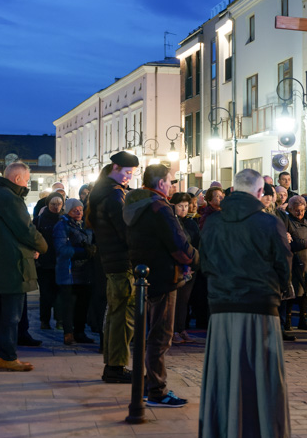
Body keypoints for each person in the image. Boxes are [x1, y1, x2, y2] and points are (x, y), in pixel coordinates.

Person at [199, 169, 291, 438]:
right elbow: (283, 264)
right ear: (259, 191)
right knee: (264, 377)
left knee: (227, 374)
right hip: (260, 305)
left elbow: (206, 263)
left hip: (222, 306)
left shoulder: (212, 222)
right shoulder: (268, 222)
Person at [123, 164, 199, 408]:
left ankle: (146, 386)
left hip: (147, 273)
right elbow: (177, 243)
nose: (173, 185)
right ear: (160, 183)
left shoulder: (138, 204)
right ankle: (157, 390)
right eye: (171, 181)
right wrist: (196, 258)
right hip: (164, 275)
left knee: (151, 333)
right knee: (161, 336)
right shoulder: (159, 207)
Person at [0, 162, 48, 372]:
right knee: (12, 315)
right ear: (18, 179)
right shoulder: (9, 197)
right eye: (27, 180)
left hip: (4, 262)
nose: (27, 183)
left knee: (5, 313)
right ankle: (8, 357)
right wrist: (43, 246)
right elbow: (25, 229)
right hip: (13, 264)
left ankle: (5, 355)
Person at [87, 151, 138, 383]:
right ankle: (116, 366)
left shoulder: (102, 192)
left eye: (132, 174)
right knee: (122, 317)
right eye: (127, 172)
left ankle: (113, 364)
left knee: (116, 314)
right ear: (115, 168)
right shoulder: (114, 196)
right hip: (120, 262)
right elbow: (126, 232)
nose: (129, 177)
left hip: (110, 261)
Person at [53, 198, 96, 346]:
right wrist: (83, 251)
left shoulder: (85, 225)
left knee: (82, 304)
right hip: (68, 272)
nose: (78, 212)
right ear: (68, 211)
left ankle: (80, 331)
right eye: (74, 209)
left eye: (80, 209)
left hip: (84, 272)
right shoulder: (61, 226)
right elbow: (61, 249)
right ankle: (68, 333)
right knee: (68, 305)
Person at [283, 195, 307, 334]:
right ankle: (287, 321)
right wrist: (305, 243)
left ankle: (303, 320)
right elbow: (288, 243)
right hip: (294, 263)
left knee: (305, 293)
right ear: (290, 209)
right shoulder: (287, 223)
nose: (300, 213)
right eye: (297, 210)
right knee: (292, 294)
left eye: (302, 210)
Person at [170, 192, 202, 345]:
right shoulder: (172, 222)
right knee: (175, 300)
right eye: (180, 206)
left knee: (184, 300)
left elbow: (197, 243)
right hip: (177, 267)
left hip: (191, 266)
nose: (183, 209)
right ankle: (173, 330)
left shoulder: (191, 223)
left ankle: (181, 328)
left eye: (185, 206)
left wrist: (194, 264)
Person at [35, 192, 64, 331]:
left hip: (61, 262)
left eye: (59, 204)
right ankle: (44, 320)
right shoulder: (40, 220)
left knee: (60, 294)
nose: (56, 207)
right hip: (45, 263)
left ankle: (60, 319)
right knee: (46, 294)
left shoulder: (64, 219)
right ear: (48, 204)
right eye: (53, 204)